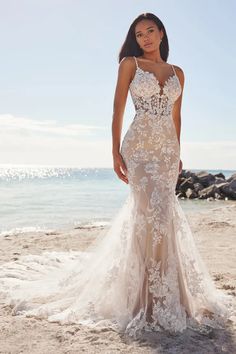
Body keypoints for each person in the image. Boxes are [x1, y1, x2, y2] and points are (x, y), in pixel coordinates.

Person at [0, 12, 234, 340]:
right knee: (147, 216)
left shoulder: (179, 72)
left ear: (162, 34)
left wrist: (177, 153)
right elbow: (118, 109)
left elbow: (176, 118)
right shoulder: (129, 65)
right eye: (139, 34)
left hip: (166, 153)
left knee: (164, 217)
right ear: (135, 40)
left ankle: (169, 297)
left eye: (151, 31)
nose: (146, 38)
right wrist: (114, 151)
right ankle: (142, 300)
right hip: (138, 148)